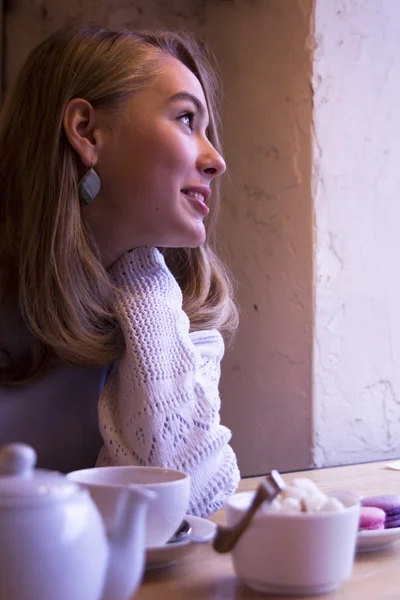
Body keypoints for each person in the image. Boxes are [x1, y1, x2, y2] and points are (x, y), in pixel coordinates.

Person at [0, 25, 240, 516]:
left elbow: (186, 503)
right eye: (185, 119)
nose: (215, 160)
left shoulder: (177, 316)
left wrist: (145, 286)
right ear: (87, 132)